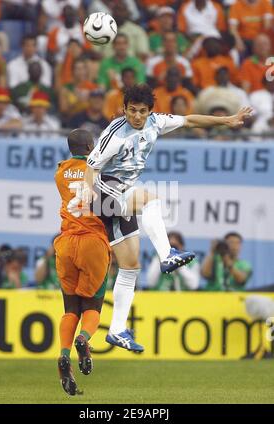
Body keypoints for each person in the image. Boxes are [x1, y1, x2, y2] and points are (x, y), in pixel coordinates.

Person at [68, 84, 253, 352]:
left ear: (150, 111)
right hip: (106, 189)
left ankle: (117, 330)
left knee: (130, 267)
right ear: (124, 109)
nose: (137, 116)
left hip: (121, 193)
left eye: (142, 111)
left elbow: (190, 120)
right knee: (150, 199)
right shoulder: (115, 134)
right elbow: (91, 166)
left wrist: (228, 120)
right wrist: (87, 192)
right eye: (132, 110)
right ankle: (167, 254)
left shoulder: (157, 122)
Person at [54, 129, 111, 396]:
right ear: (91, 145)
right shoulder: (99, 170)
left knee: (70, 308)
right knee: (93, 306)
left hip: (66, 243)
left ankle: (64, 353)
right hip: (92, 241)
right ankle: (83, 339)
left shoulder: (60, 172)